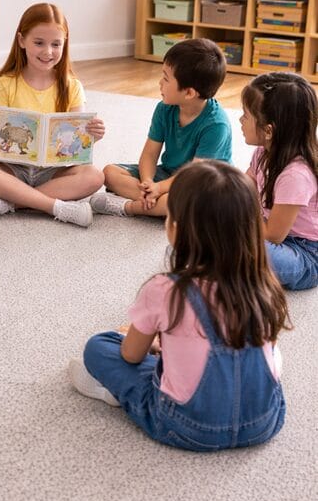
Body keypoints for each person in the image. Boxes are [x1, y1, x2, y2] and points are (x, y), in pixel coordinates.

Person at [69, 161, 289, 452]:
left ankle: (119, 395)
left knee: (99, 346)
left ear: (175, 228)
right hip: (264, 422)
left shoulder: (165, 290)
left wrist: (152, 342)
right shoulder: (264, 282)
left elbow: (131, 355)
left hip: (187, 426)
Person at [0, 3, 105, 228]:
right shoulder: (6, 84)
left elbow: (78, 144)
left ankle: (10, 203)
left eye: (56, 44)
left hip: (54, 171)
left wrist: (92, 135)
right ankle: (55, 207)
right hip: (12, 168)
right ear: (22, 41)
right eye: (39, 43)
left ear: (64, 43)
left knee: (96, 176)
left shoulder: (72, 86)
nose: (48, 52)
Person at [91, 38, 232, 218]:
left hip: (201, 184)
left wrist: (158, 189)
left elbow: (192, 177)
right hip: (167, 175)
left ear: (189, 93)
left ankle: (130, 207)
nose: (159, 83)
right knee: (110, 173)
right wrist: (149, 182)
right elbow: (150, 153)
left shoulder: (216, 125)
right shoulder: (164, 108)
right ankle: (152, 201)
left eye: (166, 78)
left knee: (180, 200)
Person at [240, 72, 318, 291]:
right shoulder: (262, 152)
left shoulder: (295, 175)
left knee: (242, 247)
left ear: (268, 130)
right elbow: (245, 185)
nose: (240, 120)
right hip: (269, 233)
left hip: (305, 255)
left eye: (245, 115)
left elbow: (273, 235)